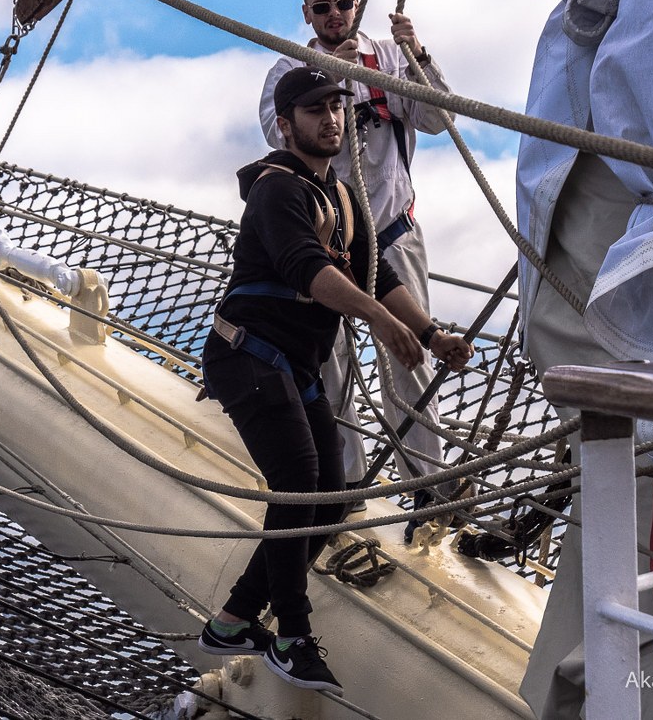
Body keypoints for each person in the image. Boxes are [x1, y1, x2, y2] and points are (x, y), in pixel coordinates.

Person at [199, 66, 471, 695]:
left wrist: (430, 334)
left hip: (293, 368)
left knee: (333, 498)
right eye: (315, 110)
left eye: (337, 108)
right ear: (284, 124)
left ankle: (234, 620)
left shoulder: (344, 198)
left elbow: (379, 276)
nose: (331, 119)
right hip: (248, 356)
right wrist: (380, 321)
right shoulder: (276, 189)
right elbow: (307, 269)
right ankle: (291, 637)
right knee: (298, 485)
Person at [259, 0, 455, 535]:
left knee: (409, 358)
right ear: (306, 14)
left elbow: (439, 118)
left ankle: (428, 488)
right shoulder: (286, 69)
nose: (335, 15)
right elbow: (275, 134)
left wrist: (418, 55)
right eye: (322, 8)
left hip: (392, 232)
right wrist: (327, 77)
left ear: (356, 4)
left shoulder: (389, 57)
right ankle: (346, 488)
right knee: (330, 362)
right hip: (329, 240)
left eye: (343, 4)